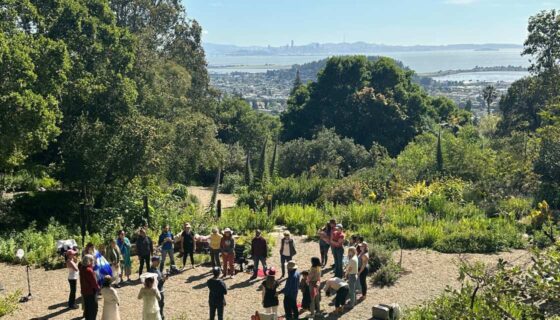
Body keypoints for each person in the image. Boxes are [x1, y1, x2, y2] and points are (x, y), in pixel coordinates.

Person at [79, 254, 100, 320]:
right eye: (92, 260)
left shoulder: (82, 268)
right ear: (89, 261)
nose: (93, 262)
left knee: (87, 309)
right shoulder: (89, 270)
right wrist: (98, 289)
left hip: (84, 291)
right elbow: (94, 283)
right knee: (93, 310)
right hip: (91, 292)